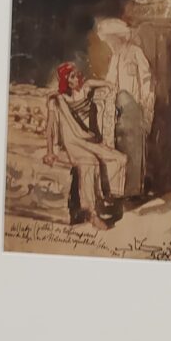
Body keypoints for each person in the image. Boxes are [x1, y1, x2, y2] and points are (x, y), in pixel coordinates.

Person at [43, 63, 127, 230]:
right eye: (72, 77)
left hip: (88, 139)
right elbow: (50, 127)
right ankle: (91, 214)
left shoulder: (85, 88)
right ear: (66, 81)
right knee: (90, 162)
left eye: (77, 75)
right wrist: (50, 151)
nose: (77, 78)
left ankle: (106, 196)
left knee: (120, 159)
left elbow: (100, 83)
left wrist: (110, 86)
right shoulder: (57, 100)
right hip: (72, 142)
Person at [96, 19, 154, 198]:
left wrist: (146, 107)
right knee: (120, 146)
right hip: (118, 108)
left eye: (111, 40)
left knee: (134, 148)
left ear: (119, 38)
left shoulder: (136, 53)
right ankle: (119, 188)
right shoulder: (115, 57)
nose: (110, 44)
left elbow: (146, 80)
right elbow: (110, 82)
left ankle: (133, 190)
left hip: (134, 107)